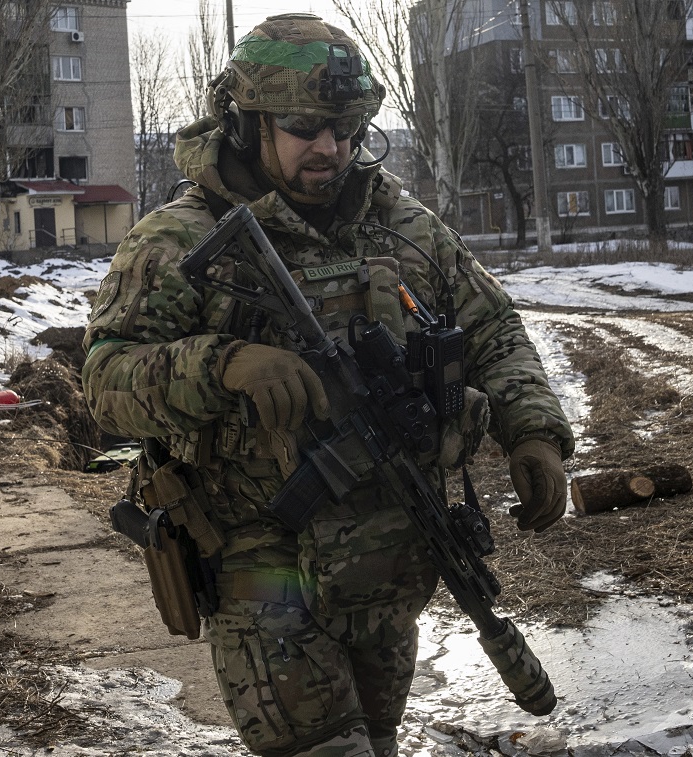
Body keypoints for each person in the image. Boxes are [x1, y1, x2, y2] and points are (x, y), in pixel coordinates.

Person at [81, 13, 573, 757]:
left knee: (377, 744)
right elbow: (105, 379)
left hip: (388, 570)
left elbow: (493, 330)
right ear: (248, 121)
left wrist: (533, 431)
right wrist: (222, 364)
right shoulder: (177, 239)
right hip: (263, 575)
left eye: (345, 127)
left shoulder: (399, 225)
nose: (332, 148)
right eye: (306, 126)